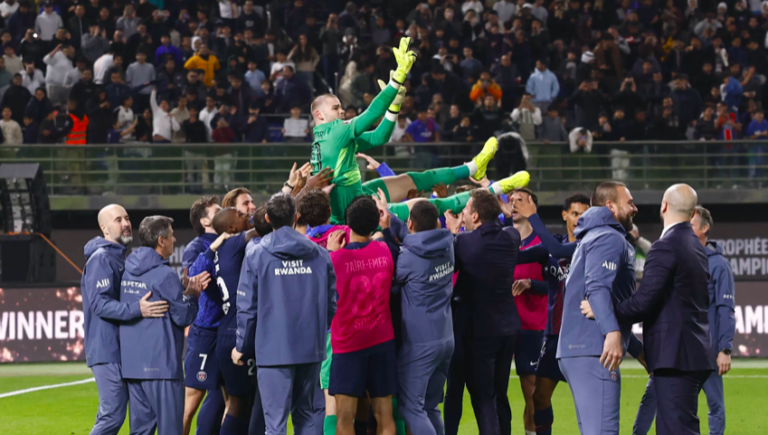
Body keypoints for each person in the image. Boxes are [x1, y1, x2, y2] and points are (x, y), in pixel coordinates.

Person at [310, 39, 500, 224]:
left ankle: (474, 167)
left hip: (357, 196)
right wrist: (399, 76)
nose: (342, 111)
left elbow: (379, 137)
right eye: (336, 108)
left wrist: (394, 106)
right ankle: (496, 189)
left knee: (417, 179)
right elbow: (372, 112)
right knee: (424, 206)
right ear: (319, 114)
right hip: (356, 213)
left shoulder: (327, 139)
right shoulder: (335, 132)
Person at [581, 184, 716, 435]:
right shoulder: (695, 244)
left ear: (664, 206)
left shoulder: (667, 245)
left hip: (676, 356)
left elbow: (644, 301)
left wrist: (604, 311)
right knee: (675, 427)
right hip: (690, 352)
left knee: (677, 429)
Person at [232, 193, 336, 435]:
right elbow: (332, 302)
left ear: (267, 218)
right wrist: (318, 330)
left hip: (273, 350)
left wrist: (241, 345)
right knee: (306, 417)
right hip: (310, 347)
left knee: (275, 425)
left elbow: (247, 305)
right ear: (296, 216)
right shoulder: (320, 254)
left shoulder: (256, 253)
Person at [631, 205, 736, 435]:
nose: (686, 227)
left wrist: (725, 348)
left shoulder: (719, 264)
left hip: (706, 350)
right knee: (652, 398)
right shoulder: (678, 253)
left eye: (692, 223)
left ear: (705, 228)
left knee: (715, 403)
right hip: (677, 348)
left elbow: (725, 308)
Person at [556, 181, 640, 435]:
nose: (635, 208)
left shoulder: (590, 235)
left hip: (577, 350)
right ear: (610, 206)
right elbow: (597, 289)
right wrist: (613, 333)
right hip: (594, 350)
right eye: (630, 202)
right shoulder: (609, 237)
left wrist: (636, 349)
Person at [81, 204, 170, 435]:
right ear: (104, 228)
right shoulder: (101, 259)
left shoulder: (120, 257)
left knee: (138, 416)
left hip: (124, 349)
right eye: (118, 220)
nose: (126, 223)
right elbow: (99, 304)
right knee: (113, 414)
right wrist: (137, 309)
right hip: (107, 349)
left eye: (127, 218)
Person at [119, 216, 210, 435]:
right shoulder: (165, 274)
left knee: (140, 432)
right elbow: (183, 317)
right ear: (161, 240)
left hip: (133, 368)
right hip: (162, 368)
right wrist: (193, 295)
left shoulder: (128, 269)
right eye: (171, 235)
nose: (174, 239)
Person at [443, 189, 521, 435]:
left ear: (475, 217)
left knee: (480, 396)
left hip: (475, 332)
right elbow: (509, 230)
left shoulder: (463, 242)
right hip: (507, 330)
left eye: (466, 210)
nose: (463, 213)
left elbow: (449, 265)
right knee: (499, 394)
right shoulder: (511, 238)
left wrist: (453, 232)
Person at [326, 196, 400, 435]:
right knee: (384, 415)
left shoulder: (335, 259)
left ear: (347, 223)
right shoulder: (384, 249)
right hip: (382, 341)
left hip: (348, 345)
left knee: (344, 417)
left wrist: (330, 254)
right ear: (375, 222)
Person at [387, 199, 455, 435]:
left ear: (411, 222)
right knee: (430, 406)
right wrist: (389, 216)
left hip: (420, 342)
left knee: (411, 408)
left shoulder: (408, 258)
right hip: (446, 338)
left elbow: (391, 279)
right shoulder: (448, 245)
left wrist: (387, 229)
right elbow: (414, 237)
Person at [210, 207, 266, 435]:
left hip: (226, 332)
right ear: (231, 228)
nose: (247, 216)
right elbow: (264, 227)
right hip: (237, 335)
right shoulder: (233, 244)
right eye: (241, 216)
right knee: (245, 404)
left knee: (240, 403)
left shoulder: (220, 251)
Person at [181, 196, 226, 435]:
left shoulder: (230, 241)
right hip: (206, 330)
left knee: (232, 401)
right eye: (217, 211)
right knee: (190, 404)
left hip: (229, 331)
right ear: (205, 220)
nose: (222, 213)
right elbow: (193, 282)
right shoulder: (196, 247)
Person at [506, 188, 547, 435]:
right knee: (494, 392)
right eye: (511, 200)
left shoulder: (544, 243)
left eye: (519, 200)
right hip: (502, 325)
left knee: (531, 393)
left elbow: (555, 284)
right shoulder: (501, 239)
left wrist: (532, 284)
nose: (513, 204)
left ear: (532, 206)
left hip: (532, 325)